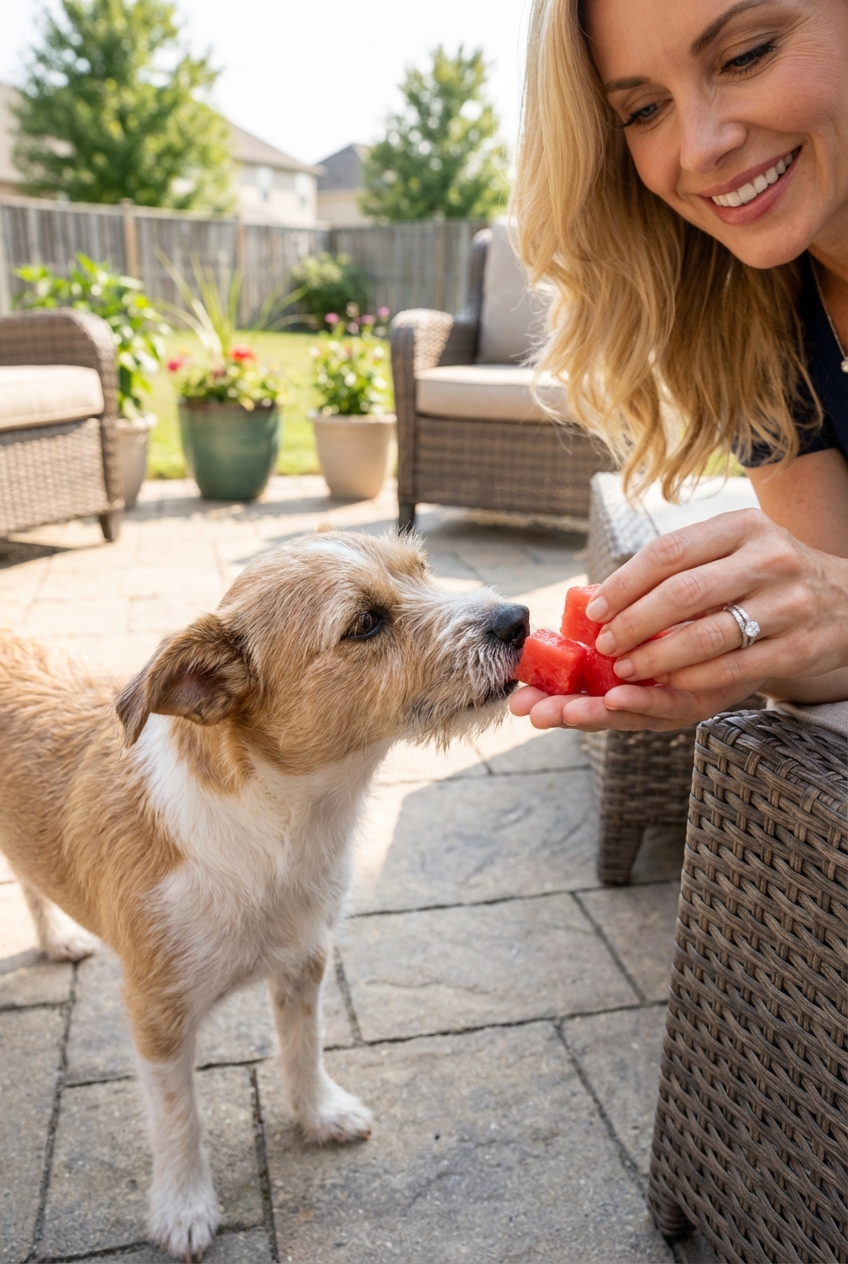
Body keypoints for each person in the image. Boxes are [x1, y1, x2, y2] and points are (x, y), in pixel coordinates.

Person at [509, 0, 848, 734]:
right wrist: (719, 656)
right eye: (643, 109)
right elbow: (836, 643)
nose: (698, 149)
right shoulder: (759, 328)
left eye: (747, 55)